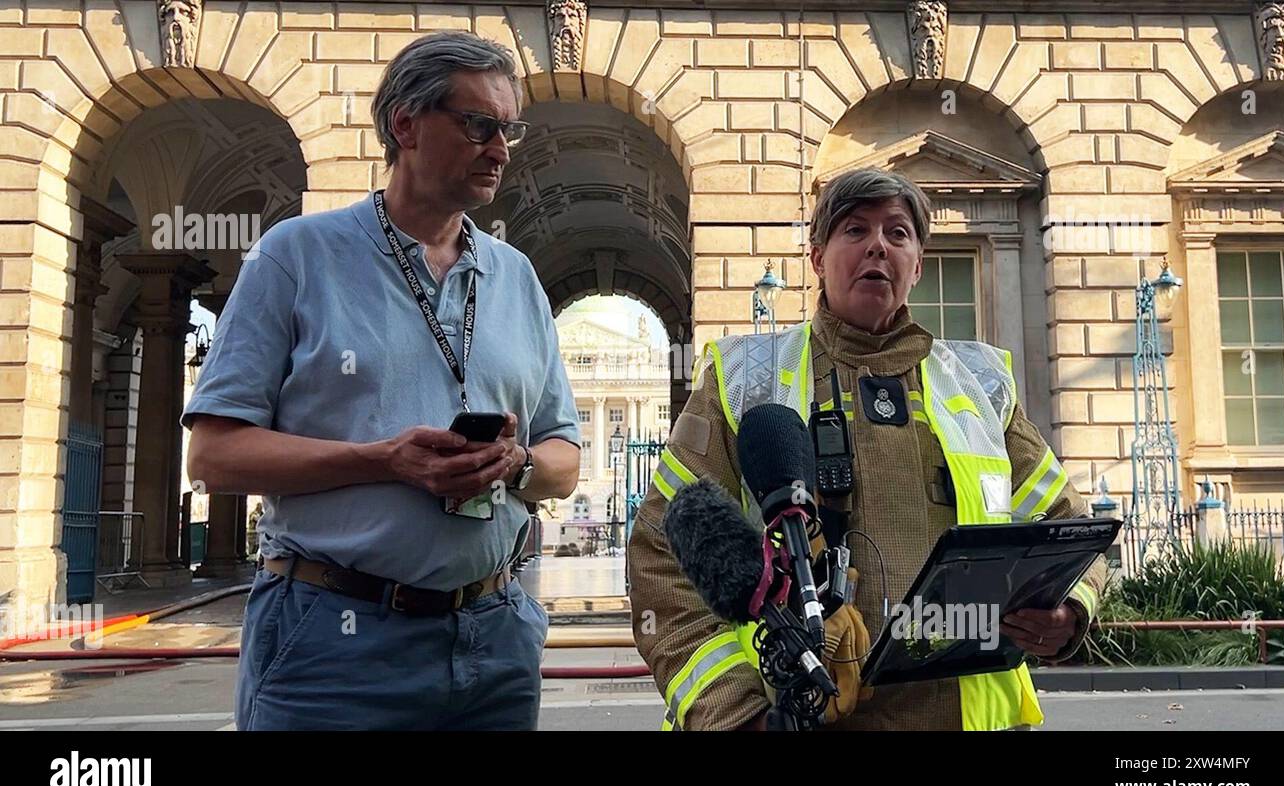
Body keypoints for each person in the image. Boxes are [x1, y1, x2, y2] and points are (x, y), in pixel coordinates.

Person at [184, 31, 580, 730]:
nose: (501, 149)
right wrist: (382, 460)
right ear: (405, 124)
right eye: (480, 125)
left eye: (508, 130)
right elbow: (213, 455)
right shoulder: (296, 255)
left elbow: (564, 457)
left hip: (495, 641)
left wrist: (513, 464)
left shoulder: (516, 277)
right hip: (332, 642)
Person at [627, 167, 1106, 731]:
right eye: (855, 230)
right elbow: (663, 554)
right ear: (816, 257)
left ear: (918, 264)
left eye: (898, 233)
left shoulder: (982, 383)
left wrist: (1069, 611)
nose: (879, 244)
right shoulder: (742, 380)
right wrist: (738, 716)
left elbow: (1071, 530)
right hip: (800, 714)